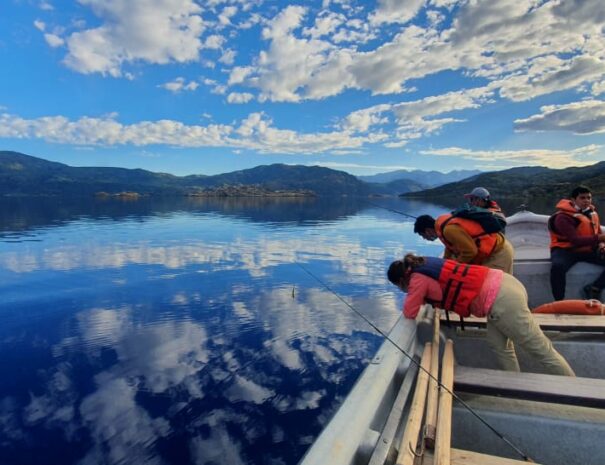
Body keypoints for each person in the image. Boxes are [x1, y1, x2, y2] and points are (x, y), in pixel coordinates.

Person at [387, 254, 575, 376]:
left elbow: (410, 312)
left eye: (400, 287)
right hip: (504, 283)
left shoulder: (417, 280)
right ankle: (515, 383)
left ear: (402, 280)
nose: (403, 289)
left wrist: (411, 294)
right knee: (499, 345)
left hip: (501, 300)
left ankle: (575, 389)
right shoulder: (424, 262)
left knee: (541, 350)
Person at [548, 185, 605, 301]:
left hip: (588, 249)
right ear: (573, 200)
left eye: (589, 198)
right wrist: (601, 238)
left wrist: (601, 245)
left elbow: (597, 231)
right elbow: (576, 240)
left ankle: (595, 288)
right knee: (557, 267)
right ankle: (559, 301)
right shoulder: (562, 218)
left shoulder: (592, 213)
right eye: (582, 198)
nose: (586, 201)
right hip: (565, 250)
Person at [413, 210, 514, 274]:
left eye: (423, 235)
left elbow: (470, 252)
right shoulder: (442, 227)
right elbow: (449, 248)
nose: (425, 239)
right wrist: (443, 264)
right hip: (492, 251)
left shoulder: (448, 230)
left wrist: (454, 267)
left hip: (498, 253)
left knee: (496, 288)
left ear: (427, 230)